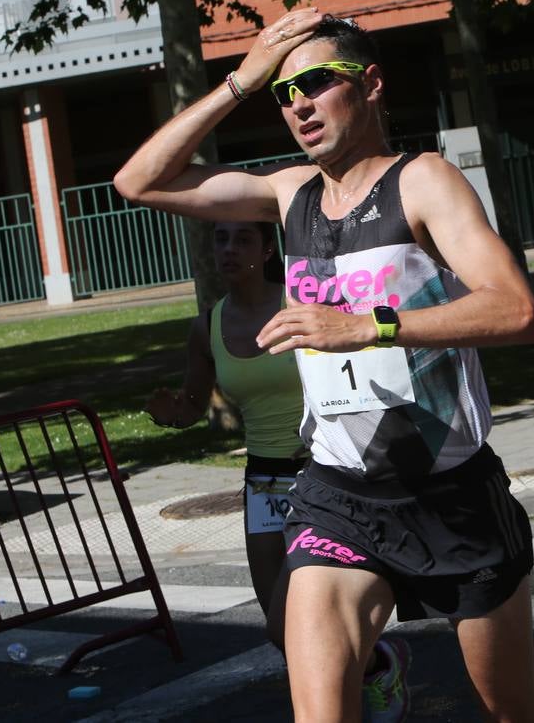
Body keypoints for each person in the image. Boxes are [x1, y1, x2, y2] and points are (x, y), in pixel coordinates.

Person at [116, 12, 534, 722]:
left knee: (513, 709)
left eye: (317, 82)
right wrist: (241, 78)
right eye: (284, 93)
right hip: (339, 497)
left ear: (371, 84)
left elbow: (516, 311)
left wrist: (369, 326)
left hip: (450, 495)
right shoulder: (289, 195)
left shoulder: (424, 182)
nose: (298, 104)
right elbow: (138, 181)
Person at [143, 220, 411, 720]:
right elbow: (193, 408)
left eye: (242, 238)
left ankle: (357, 696)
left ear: (268, 248)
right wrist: (168, 412)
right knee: (278, 627)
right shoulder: (208, 325)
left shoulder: (299, 303)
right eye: (220, 238)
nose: (228, 248)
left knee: (312, 618)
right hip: (264, 483)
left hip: (322, 469)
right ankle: (378, 665)